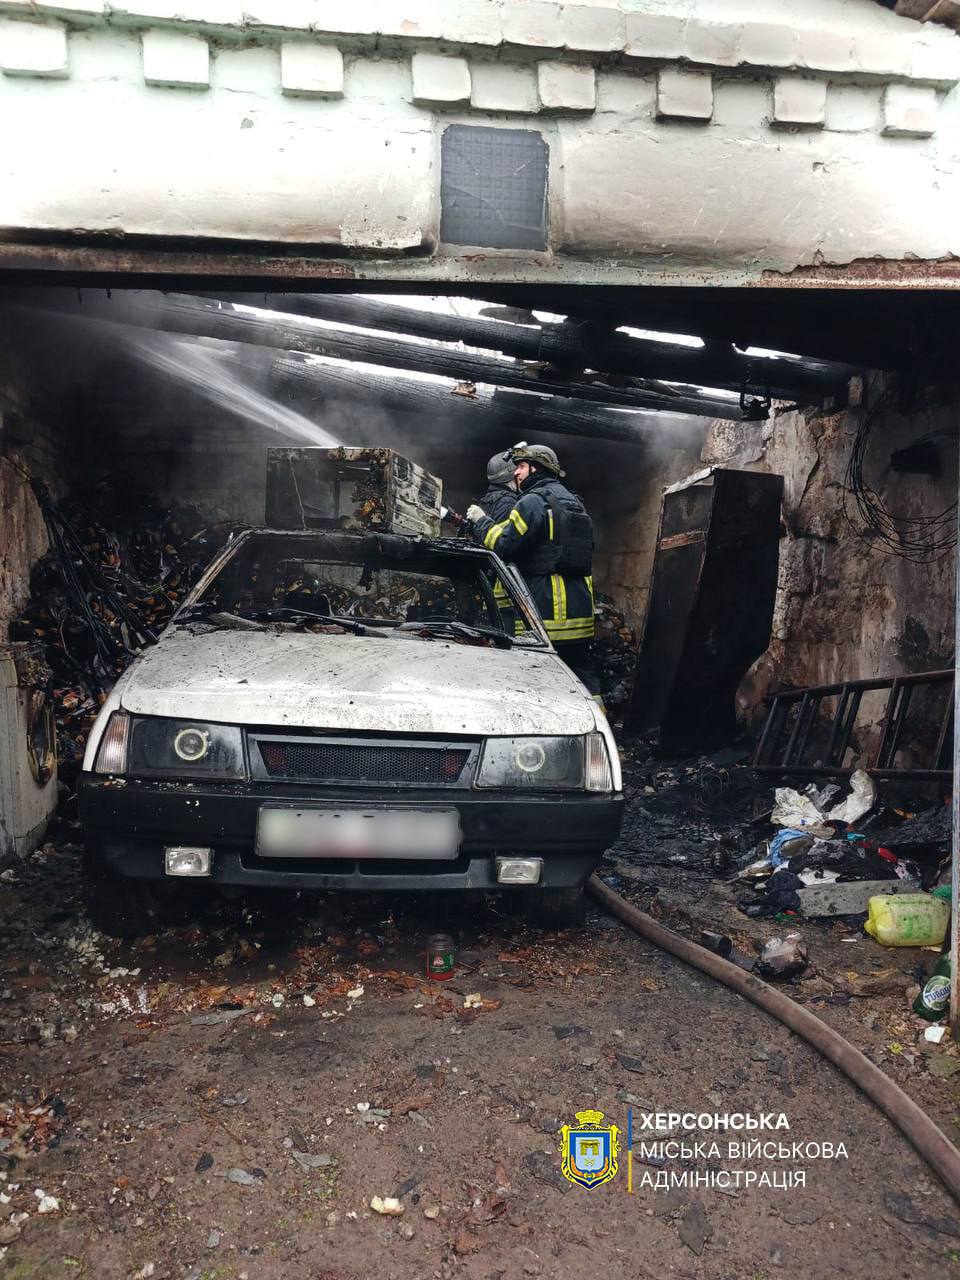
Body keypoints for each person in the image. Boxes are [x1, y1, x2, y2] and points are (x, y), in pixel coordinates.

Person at [468, 444, 600, 695]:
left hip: (544, 616)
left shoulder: (532, 502)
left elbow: (503, 546)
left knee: (534, 684)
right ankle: (597, 716)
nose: (516, 473)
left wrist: (481, 521)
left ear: (536, 468)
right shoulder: (576, 503)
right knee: (582, 683)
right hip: (579, 616)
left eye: (521, 466)